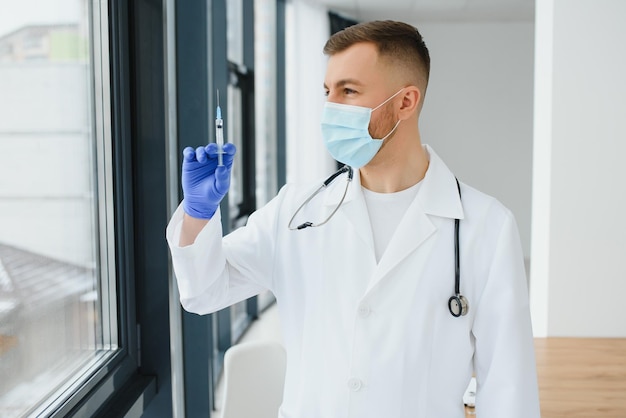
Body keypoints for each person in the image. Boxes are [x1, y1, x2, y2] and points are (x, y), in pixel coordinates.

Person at [166, 20, 540, 418]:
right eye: (328, 92)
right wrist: (197, 213)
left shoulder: (486, 226)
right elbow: (204, 292)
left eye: (349, 91)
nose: (331, 108)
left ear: (405, 101)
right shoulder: (297, 209)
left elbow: (508, 385)